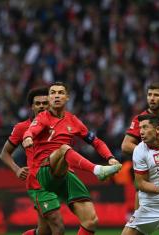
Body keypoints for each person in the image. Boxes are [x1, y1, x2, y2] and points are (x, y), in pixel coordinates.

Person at [22, 81, 122, 235]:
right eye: (53, 93)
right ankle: (97, 170)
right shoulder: (43, 117)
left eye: (60, 93)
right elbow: (31, 130)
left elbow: (96, 141)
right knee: (64, 149)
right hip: (43, 174)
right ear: (49, 98)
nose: (56, 96)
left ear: (67, 97)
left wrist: (110, 157)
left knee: (91, 221)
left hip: (64, 173)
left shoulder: (73, 120)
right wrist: (28, 137)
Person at [122, 82, 159, 235]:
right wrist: (149, 155)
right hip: (147, 175)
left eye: (156, 95)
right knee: (139, 223)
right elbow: (126, 145)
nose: (152, 98)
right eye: (149, 95)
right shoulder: (141, 119)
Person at [0, 87, 52, 235]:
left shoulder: (57, 126)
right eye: (37, 103)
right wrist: (17, 169)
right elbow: (4, 154)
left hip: (55, 180)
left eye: (45, 103)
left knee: (45, 230)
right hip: (37, 182)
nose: (41, 106)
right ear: (32, 106)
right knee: (55, 225)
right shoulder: (22, 128)